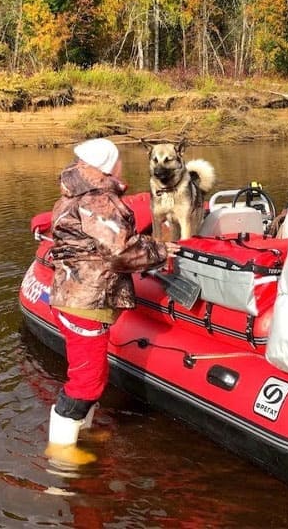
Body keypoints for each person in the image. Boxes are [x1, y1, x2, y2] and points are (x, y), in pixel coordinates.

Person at [45, 138, 179, 466]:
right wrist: (160, 250)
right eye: (118, 161)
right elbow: (120, 251)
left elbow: (104, 243)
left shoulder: (75, 194)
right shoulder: (98, 201)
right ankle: (59, 453)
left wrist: (147, 243)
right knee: (88, 381)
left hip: (77, 292)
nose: (122, 166)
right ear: (108, 166)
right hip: (85, 299)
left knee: (91, 374)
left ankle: (82, 432)